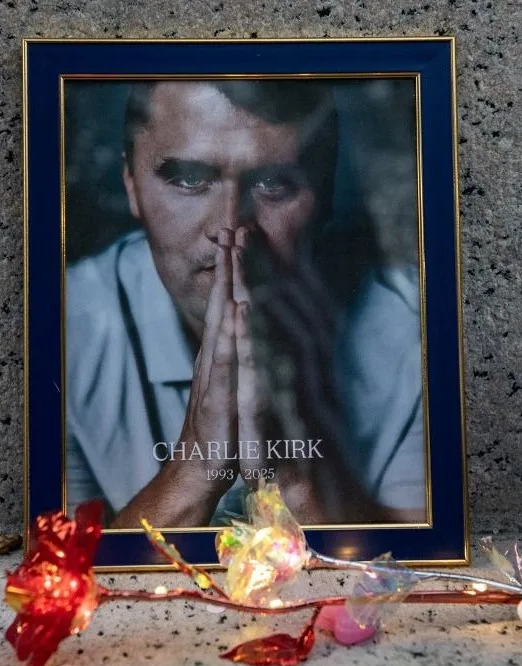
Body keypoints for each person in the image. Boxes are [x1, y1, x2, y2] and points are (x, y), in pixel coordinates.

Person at [65, 80, 425, 528]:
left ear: (326, 193)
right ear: (131, 184)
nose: (230, 226)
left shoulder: (416, 333)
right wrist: (195, 469)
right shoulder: (66, 329)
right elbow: (56, 567)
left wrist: (294, 477)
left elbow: (425, 565)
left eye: (273, 183)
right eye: (190, 179)